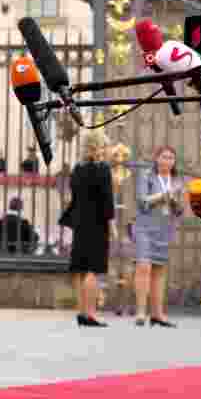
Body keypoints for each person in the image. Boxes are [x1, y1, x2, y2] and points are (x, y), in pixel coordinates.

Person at [65, 130, 116, 327]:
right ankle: (91, 314)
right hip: (97, 223)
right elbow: (107, 199)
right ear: (99, 147)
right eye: (105, 145)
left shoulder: (78, 168)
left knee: (80, 268)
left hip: (80, 222)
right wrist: (111, 223)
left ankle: (82, 312)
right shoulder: (102, 168)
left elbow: (74, 196)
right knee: (92, 270)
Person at [132, 146, 185, 327]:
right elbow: (142, 201)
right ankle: (140, 313)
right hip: (145, 227)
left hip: (164, 228)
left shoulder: (177, 181)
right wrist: (163, 196)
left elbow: (179, 210)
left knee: (159, 270)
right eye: (164, 157)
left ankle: (157, 314)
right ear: (156, 159)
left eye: (171, 158)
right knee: (143, 266)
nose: (168, 161)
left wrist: (175, 201)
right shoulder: (147, 176)